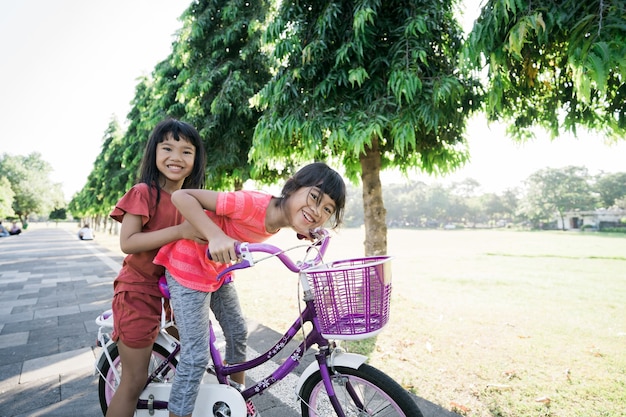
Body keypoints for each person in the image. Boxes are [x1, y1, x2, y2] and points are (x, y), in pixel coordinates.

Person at [154, 162, 347, 417]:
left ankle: (235, 396)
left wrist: (309, 231)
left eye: (327, 209)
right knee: (196, 356)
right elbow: (181, 196)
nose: (317, 210)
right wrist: (215, 235)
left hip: (217, 272)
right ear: (293, 186)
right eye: (314, 197)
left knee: (237, 332)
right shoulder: (250, 204)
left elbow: (295, 217)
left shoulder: (280, 217)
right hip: (188, 269)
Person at [105, 118, 207, 417]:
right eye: (168, 148)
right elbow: (129, 242)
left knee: (193, 356)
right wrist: (181, 231)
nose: (176, 157)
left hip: (175, 293)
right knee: (134, 381)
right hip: (137, 293)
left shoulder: (191, 200)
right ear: (154, 153)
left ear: (196, 160)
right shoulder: (143, 192)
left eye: (187, 151)